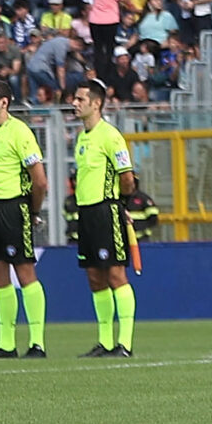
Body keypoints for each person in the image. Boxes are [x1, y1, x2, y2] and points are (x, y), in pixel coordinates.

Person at [0, 78, 48, 358]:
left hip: (15, 207)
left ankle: (37, 343)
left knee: (25, 272)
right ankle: (6, 343)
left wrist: (33, 210)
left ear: (4, 102)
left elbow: (39, 181)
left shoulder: (20, 132)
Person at [68, 80, 138, 358]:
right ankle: (105, 342)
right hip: (86, 213)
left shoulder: (110, 135)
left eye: (80, 99)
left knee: (115, 274)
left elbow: (127, 177)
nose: (74, 103)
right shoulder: (82, 137)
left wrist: (121, 205)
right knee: (95, 277)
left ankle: (125, 343)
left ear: (96, 103)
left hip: (106, 210)